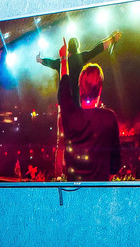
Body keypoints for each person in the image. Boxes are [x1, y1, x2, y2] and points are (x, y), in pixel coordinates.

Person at [40, 31, 121, 177]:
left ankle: (59, 174)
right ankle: (86, 166)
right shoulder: (80, 57)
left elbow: (52, 64)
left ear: (68, 50)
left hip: (65, 108)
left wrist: (41, 60)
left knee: (61, 142)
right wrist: (112, 39)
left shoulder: (61, 62)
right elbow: (97, 49)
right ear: (77, 47)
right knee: (83, 139)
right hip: (79, 105)